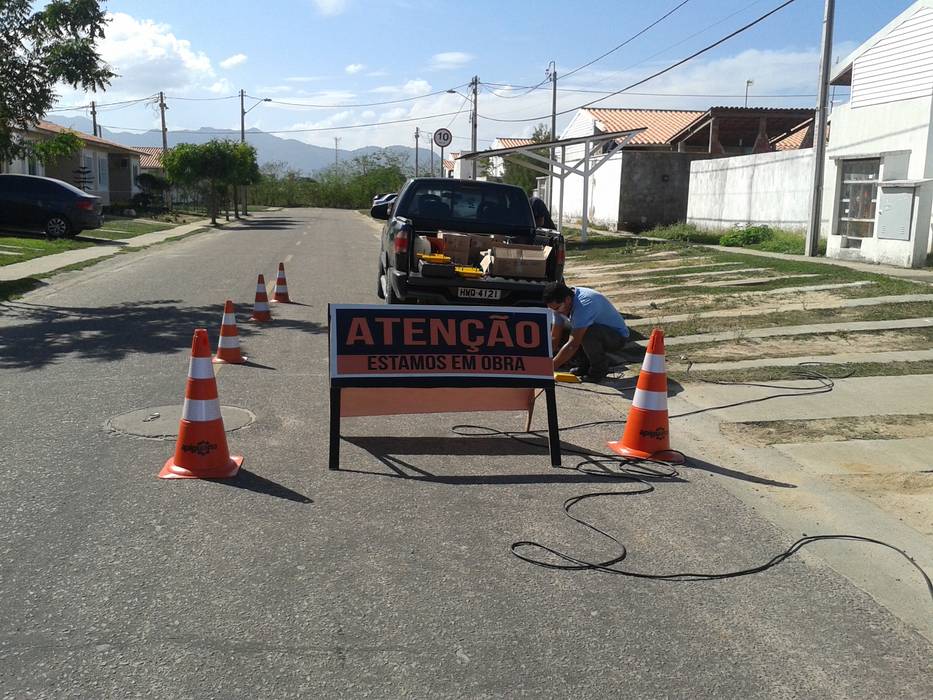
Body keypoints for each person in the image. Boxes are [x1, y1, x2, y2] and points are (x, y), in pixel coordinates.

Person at [543, 281, 630, 382]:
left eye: (557, 308)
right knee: (570, 331)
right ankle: (584, 366)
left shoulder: (585, 303)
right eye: (553, 309)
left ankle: (598, 371)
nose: (556, 312)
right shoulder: (560, 305)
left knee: (586, 333)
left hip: (616, 338)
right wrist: (543, 361)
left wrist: (549, 369)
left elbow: (573, 344)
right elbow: (554, 337)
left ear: (567, 299)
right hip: (596, 331)